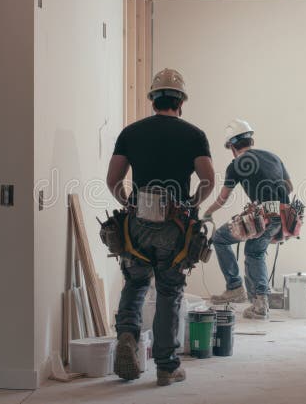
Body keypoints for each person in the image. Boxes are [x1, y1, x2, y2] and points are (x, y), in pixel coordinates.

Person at [106, 68, 215, 386]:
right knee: (169, 291)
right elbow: (208, 178)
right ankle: (166, 367)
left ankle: (127, 336)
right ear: (180, 101)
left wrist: (129, 203)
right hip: (175, 223)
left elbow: (113, 180)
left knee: (136, 283)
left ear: (153, 99)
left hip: (138, 222)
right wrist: (194, 200)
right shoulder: (194, 134)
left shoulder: (131, 132)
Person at [203, 119, 293, 320]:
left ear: (232, 146)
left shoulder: (236, 164)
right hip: (283, 214)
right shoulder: (273, 157)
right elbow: (289, 187)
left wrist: (208, 212)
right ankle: (258, 301)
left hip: (264, 215)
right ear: (251, 140)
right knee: (255, 251)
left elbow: (223, 198)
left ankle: (237, 289)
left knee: (220, 238)